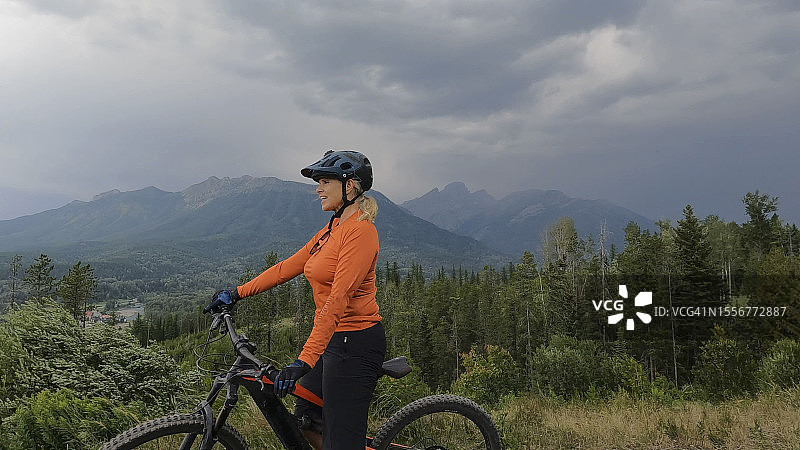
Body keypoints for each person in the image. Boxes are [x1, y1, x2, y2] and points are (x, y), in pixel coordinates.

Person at [206, 150, 385, 450]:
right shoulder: (330, 231)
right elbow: (286, 267)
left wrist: (303, 361)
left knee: (341, 442)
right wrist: (236, 293)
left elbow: (338, 300)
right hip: (331, 342)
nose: (318, 188)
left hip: (355, 345)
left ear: (350, 186)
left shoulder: (361, 233)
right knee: (306, 421)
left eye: (325, 181)